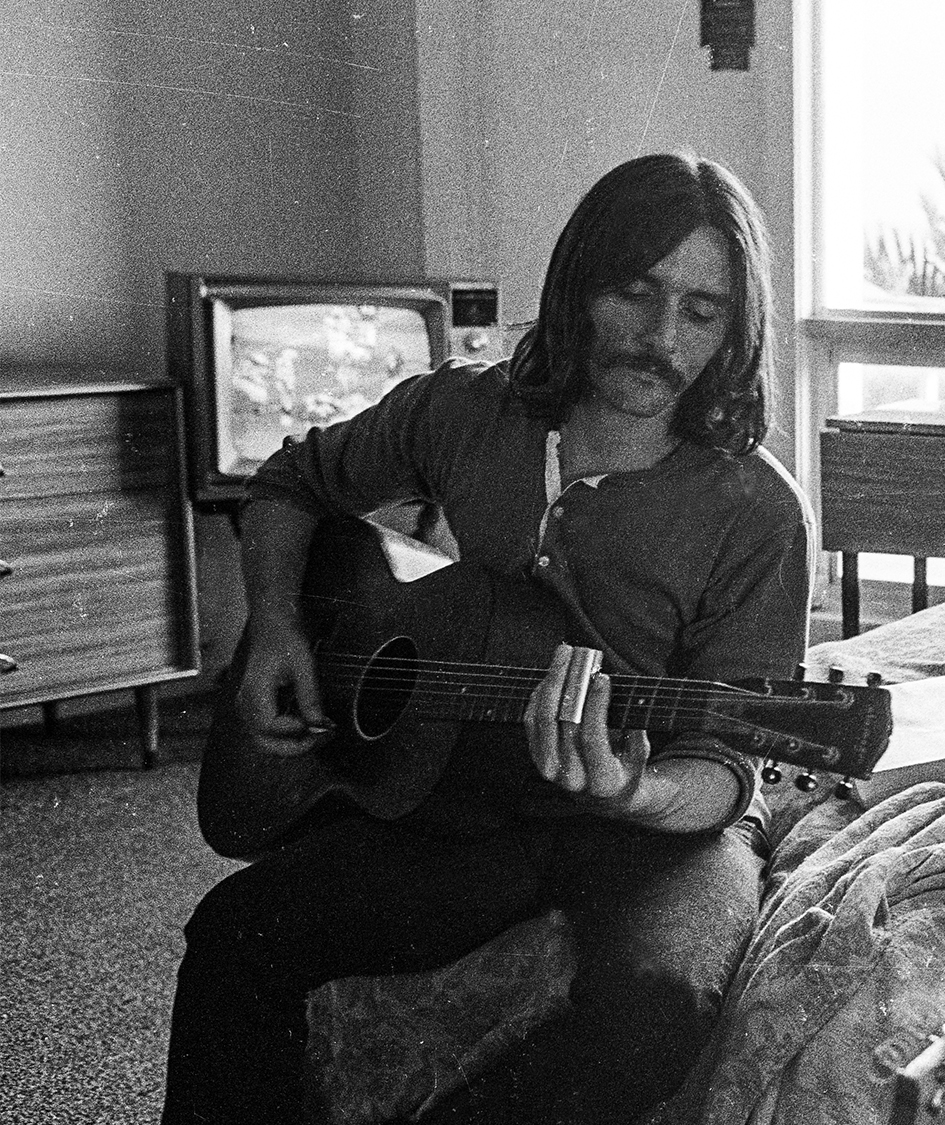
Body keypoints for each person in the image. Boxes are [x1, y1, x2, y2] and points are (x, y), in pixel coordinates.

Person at [163, 153, 812, 1125]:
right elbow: (289, 485)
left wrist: (631, 789)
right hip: (459, 796)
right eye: (634, 293)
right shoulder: (466, 411)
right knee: (235, 935)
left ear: (733, 328)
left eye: (701, 311)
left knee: (655, 1001)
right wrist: (279, 634)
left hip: (659, 828)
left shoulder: (756, 512)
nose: (660, 337)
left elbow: (726, 762)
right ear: (579, 284)